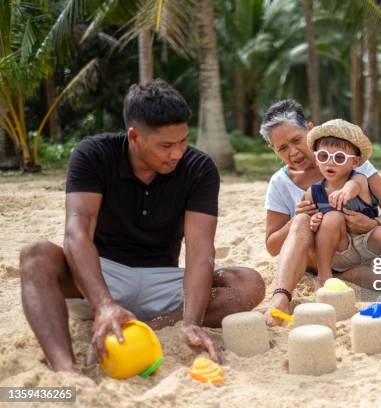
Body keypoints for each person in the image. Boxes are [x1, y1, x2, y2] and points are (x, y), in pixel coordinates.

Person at [19, 79, 265, 373]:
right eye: (166, 145)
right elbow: (76, 234)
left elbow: (200, 252)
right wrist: (103, 305)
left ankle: (151, 328)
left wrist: (190, 321)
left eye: (183, 141)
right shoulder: (93, 154)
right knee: (35, 255)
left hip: (164, 284)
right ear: (134, 137)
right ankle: (66, 372)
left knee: (248, 282)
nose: (178, 153)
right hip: (100, 276)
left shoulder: (199, 168)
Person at [260, 100, 381, 326]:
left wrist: (373, 223)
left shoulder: (350, 159)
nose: (294, 152)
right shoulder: (280, 183)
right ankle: (281, 297)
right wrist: (296, 219)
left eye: (296, 140)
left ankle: (333, 281)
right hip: (315, 261)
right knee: (301, 219)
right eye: (282, 148)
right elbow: (272, 246)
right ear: (273, 150)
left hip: (357, 254)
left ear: (309, 130)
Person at [305, 119, 381, 288]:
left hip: (366, 242)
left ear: (354, 162)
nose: (330, 162)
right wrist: (314, 220)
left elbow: (353, 186)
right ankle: (324, 276)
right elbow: (309, 220)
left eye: (339, 158)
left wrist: (345, 192)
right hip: (339, 249)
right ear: (316, 159)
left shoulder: (359, 179)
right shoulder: (313, 192)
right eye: (323, 156)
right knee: (332, 217)